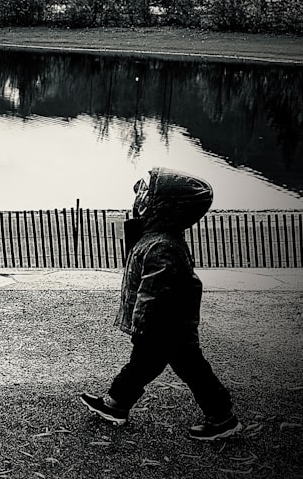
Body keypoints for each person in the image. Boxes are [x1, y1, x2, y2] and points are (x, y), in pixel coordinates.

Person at [80, 167, 243, 441]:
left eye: (147, 198)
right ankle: (116, 404)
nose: (140, 202)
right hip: (168, 325)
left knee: (161, 367)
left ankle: (222, 417)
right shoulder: (156, 239)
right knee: (163, 367)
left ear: (164, 208)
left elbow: (155, 291)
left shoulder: (161, 246)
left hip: (164, 325)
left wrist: (141, 324)